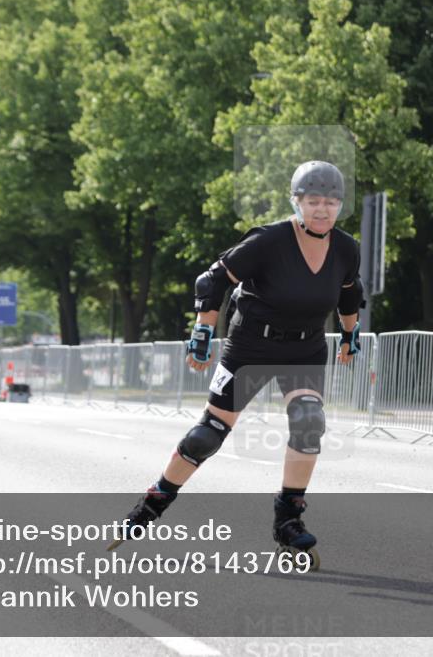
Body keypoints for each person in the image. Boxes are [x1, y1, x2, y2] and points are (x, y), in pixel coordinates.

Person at [110, 161, 365, 562]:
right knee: (208, 434)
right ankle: (151, 505)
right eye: (312, 201)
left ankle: (288, 519)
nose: (322, 209)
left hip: (305, 348)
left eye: (331, 202)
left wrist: (350, 335)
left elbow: (350, 294)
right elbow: (212, 281)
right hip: (251, 346)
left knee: (308, 422)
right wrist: (202, 332)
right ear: (296, 202)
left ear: (340, 205)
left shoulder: (347, 248)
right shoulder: (269, 241)